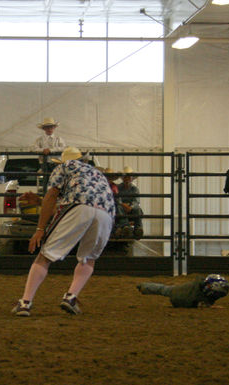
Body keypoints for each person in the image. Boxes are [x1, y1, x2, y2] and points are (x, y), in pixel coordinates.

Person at [12, 146, 115, 317]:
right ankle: (71, 297)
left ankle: (25, 302)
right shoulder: (95, 173)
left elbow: (53, 197)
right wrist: (39, 201)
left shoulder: (64, 167)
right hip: (106, 213)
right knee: (89, 258)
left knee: (45, 255)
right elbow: (72, 205)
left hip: (78, 206)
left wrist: (40, 229)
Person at [137, 274, 229, 308]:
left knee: (164, 289)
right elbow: (201, 304)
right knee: (164, 289)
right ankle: (144, 287)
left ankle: (143, 286)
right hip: (180, 296)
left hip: (179, 291)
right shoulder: (198, 295)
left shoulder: (198, 286)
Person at [32, 117, 66, 187]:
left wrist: (50, 150)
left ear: (54, 128)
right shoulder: (40, 139)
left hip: (56, 163)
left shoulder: (58, 138)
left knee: (57, 181)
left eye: (51, 127)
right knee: (47, 180)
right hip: (45, 163)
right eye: (47, 127)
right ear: (44, 129)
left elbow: (64, 148)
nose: (49, 129)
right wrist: (43, 150)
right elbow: (33, 148)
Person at [117, 166, 144, 239]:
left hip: (130, 209)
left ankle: (138, 229)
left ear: (132, 179)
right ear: (123, 178)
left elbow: (136, 201)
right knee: (118, 207)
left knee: (137, 209)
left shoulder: (135, 189)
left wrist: (130, 207)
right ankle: (126, 227)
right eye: (125, 177)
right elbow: (117, 199)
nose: (127, 179)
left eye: (129, 177)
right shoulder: (118, 187)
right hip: (122, 208)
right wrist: (123, 205)